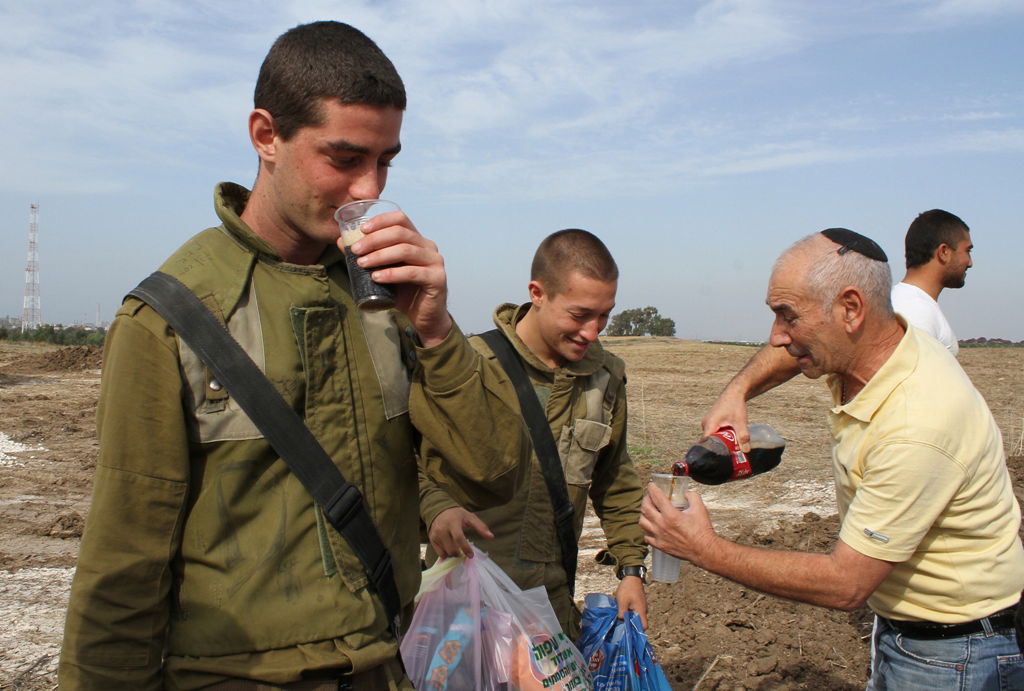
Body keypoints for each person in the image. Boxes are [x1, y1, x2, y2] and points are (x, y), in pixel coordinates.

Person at [59, 21, 528, 690]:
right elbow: (121, 573)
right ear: (265, 135)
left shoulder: (389, 305)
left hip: (383, 667)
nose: (368, 188)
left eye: (386, 160)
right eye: (343, 158)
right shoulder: (170, 317)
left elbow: (495, 475)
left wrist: (435, 329)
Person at [640, 228, 1024, 690]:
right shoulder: (875, 347)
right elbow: (789, 353)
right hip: (916, 634)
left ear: (850, 308)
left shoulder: (917, 422)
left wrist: (703, 548)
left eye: (788, 316)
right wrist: (737, 391)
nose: (777, 336)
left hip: (955, 655)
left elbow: (847, 584)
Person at [419, 229, 648, 641]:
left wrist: (631, 570)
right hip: (462, 599)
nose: (593, 332)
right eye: (579, 315)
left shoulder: (605, 378)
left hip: (549, 603)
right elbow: (407, 463)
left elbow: (616, 479)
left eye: (605, 315)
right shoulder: (469, 367)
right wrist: (436, 508)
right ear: (537, 293)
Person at [891, 209, 973, 355]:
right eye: (967, 251)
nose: (970, 262)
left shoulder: (909, 303)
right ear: (944, 252)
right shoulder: (916, 312)